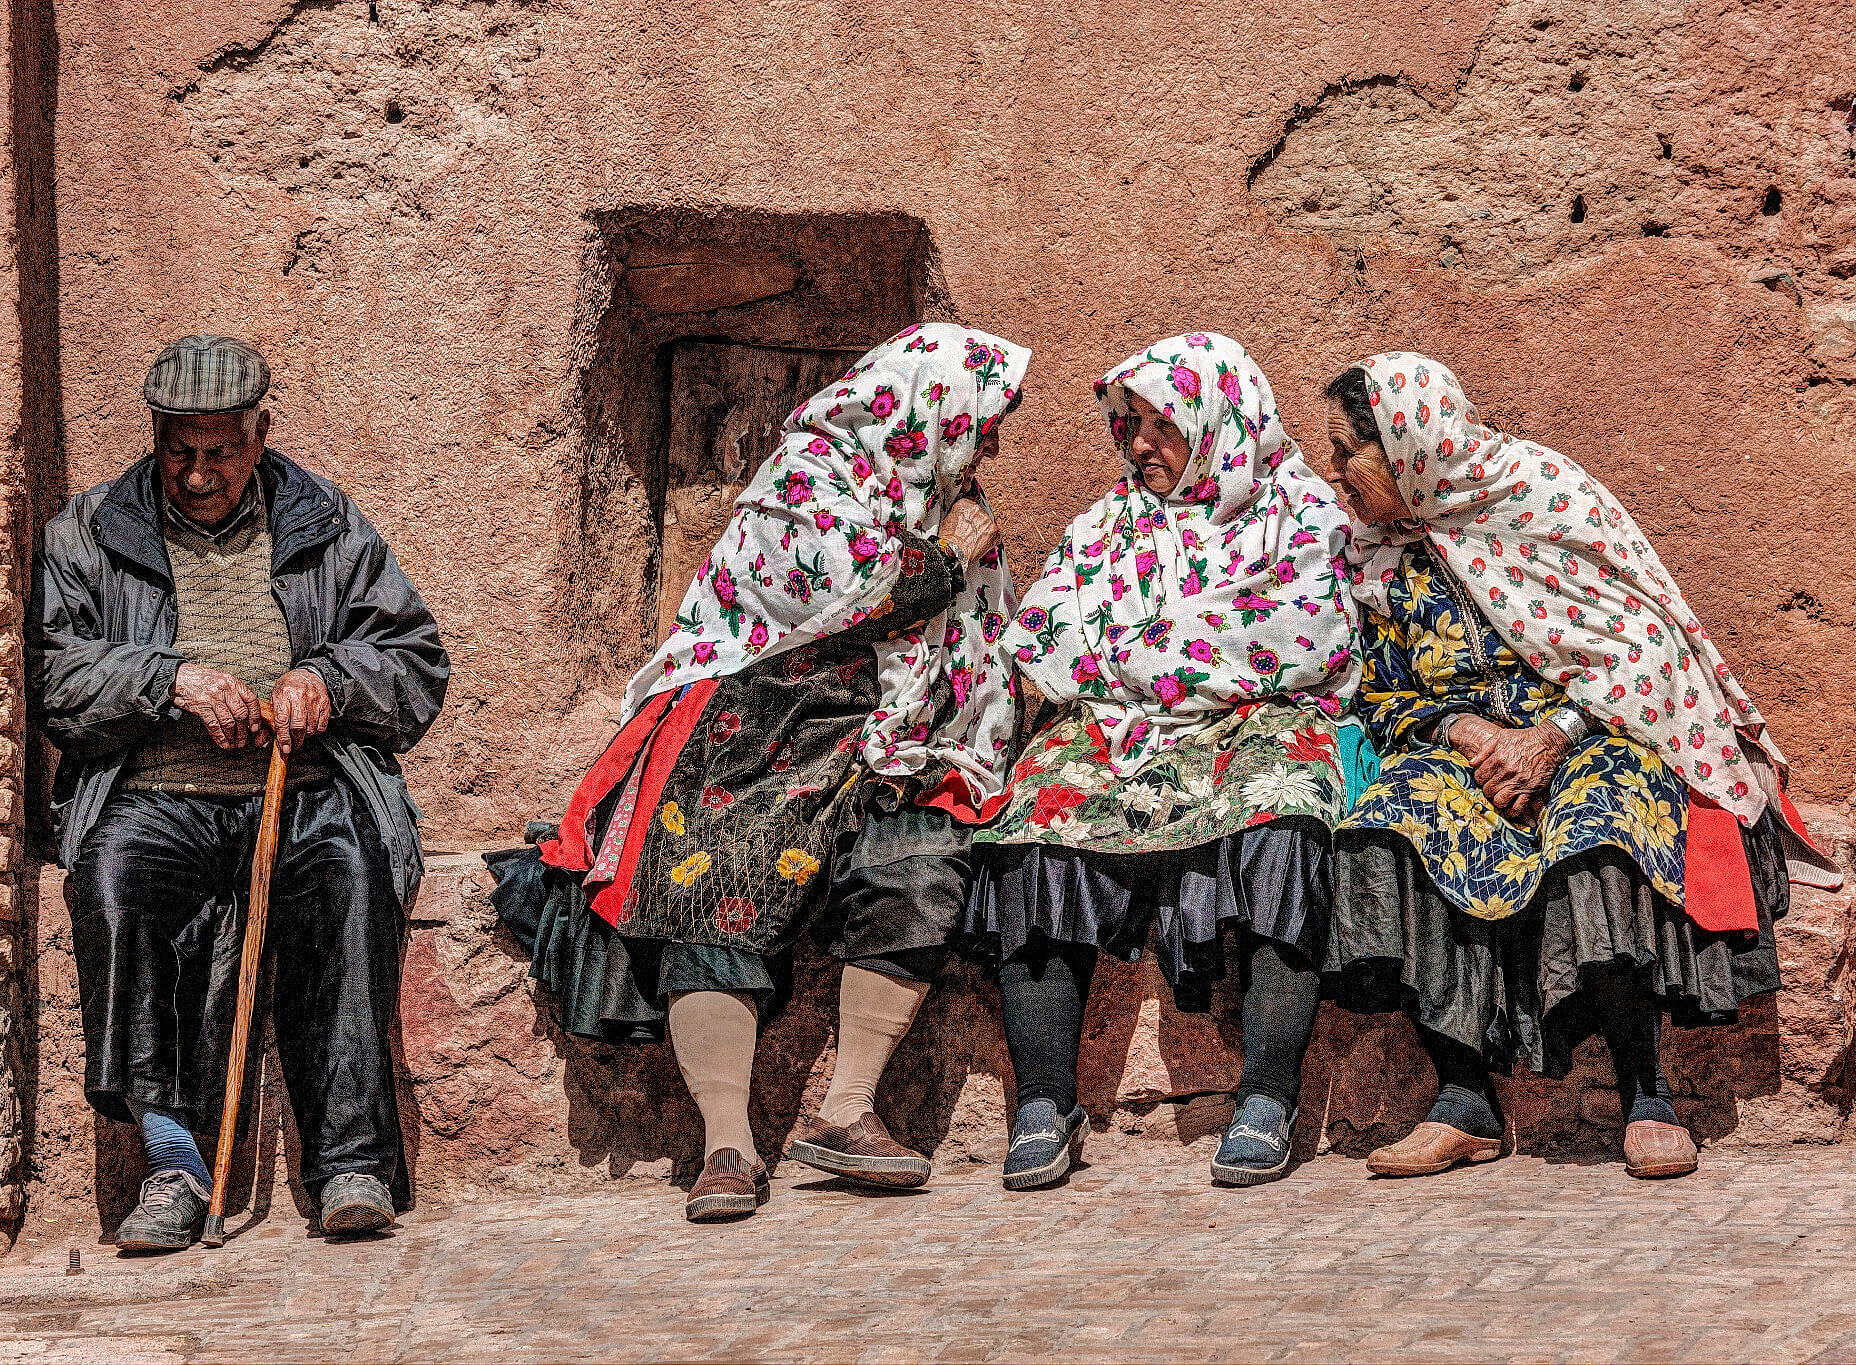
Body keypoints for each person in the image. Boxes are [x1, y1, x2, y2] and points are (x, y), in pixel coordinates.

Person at [516, 323, 1030, 1221]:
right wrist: (943, 556)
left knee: (920, 852)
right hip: (759, 722)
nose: (987, 444)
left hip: (887, 737)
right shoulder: (805, 481)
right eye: (980, 422)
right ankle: (726, 1142)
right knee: (717, 860)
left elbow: (981, 638)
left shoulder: (958, 507)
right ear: (924, 409)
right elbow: (837, 591)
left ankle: (847, 1111)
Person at [1322, 351, 1840, 1180]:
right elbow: (1378, 691)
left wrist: (1551, 733)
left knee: (1597, 833)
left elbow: (1642, 639)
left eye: (1350, 448)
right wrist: (1462, 730)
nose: (1336, 470)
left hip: (1592, 731)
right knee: (1385, 823)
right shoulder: (1380, 553)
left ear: (1407, 447)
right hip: (1468, 750)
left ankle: (1646, 1090)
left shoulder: (1536, 494)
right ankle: (1464, 1097)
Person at [30, 334, 449, 1249]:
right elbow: (57, 679)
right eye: (179, 450)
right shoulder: (88, 532)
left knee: (347, 867)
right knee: (113, 878)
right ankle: (176, 1164)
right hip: (156, 791)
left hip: (302, 785)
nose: (198, 473)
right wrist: (168, 680)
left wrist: (328, 680)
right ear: (155, 437)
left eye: (221, 450)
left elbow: (416, 660)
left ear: (260, 435)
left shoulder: (326, 523)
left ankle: (350, 1165)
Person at [966, 333, 1362, 1190]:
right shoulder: (1107, 524)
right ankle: (1043, 1101)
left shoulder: (1300, 513)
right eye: (1131, 423)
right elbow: (1042, 633)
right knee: (1035, 813)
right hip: (1122, 730)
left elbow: (1305, 635)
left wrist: (1134, 651)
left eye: (1162, 423)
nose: (1139, 443)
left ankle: (1267, 1094)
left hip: (1257, 724)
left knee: (1289, 807)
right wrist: (1185, 652)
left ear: (1218, 419)